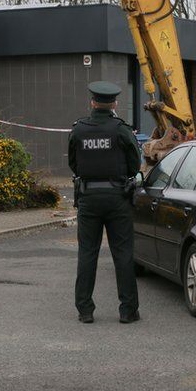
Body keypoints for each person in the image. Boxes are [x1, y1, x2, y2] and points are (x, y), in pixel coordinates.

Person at [68, 81, 141, 324]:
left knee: (87, 253)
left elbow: (73, 164)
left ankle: (85, 310)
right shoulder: (121, 130)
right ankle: (128, 310)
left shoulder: (79, 130)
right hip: (117, 198)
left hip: (88, 198)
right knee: (122, 253)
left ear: (92, 102)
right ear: (115, 104)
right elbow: (134, 164)